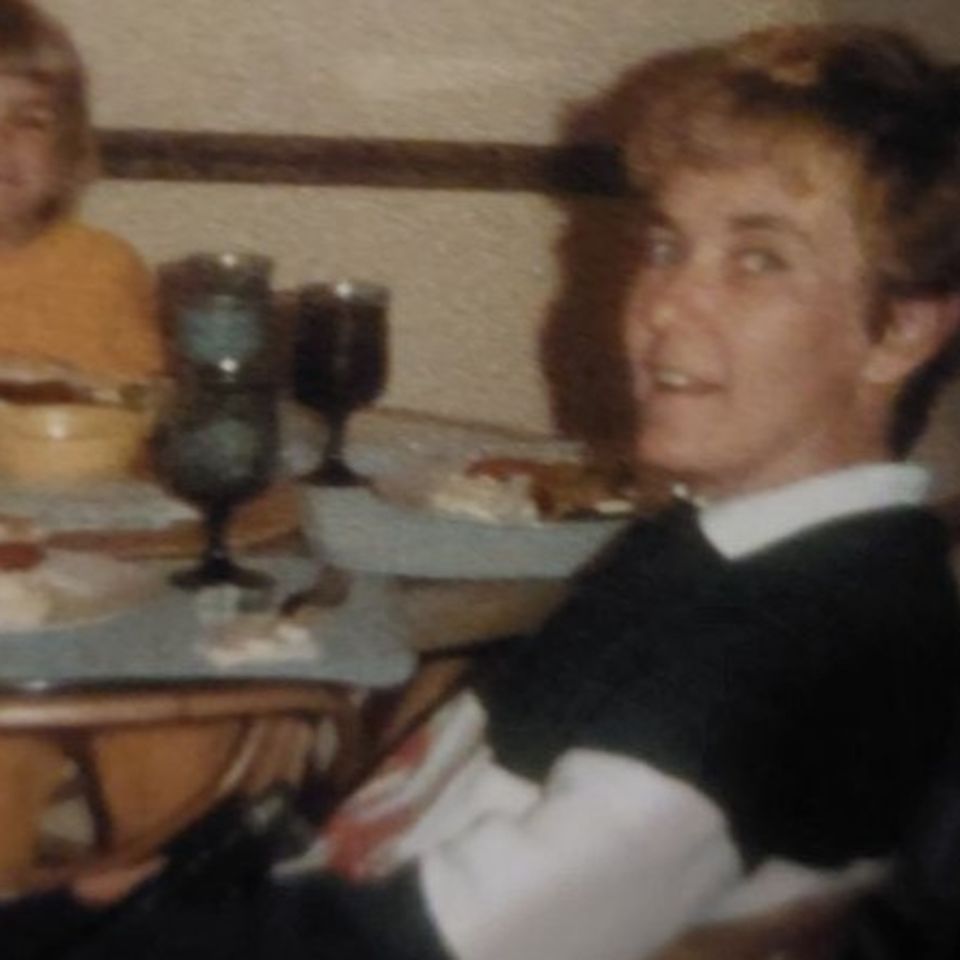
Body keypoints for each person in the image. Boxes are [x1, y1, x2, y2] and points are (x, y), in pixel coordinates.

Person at [9, 20, 960, 960]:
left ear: (901, 331)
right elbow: (419, 825)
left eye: (759, 260)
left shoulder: (800, 638)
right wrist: (176, 888)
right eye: (667, 246)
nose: (666, 306)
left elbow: (444, 938)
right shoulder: (713, 547)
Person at [0, 0, 163, 384]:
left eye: (31, 121)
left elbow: (134, 401)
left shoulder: (104, 269)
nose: (3, 139)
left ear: (67, 148)